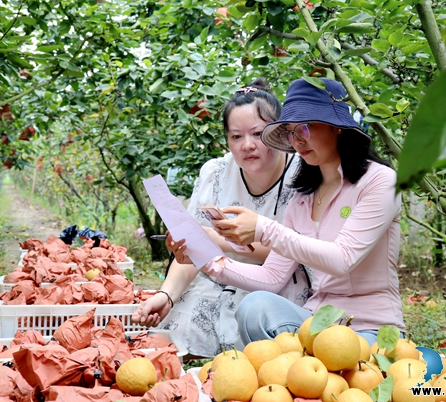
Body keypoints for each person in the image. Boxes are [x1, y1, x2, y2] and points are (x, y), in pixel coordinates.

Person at [164, 78, 405, 346]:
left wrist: (262, 229)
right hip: (317, 323)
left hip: (371, 329)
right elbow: (272, 278)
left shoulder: (380, 181)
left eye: (305, 126)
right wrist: (206, 259)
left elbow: (342, 259)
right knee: (255, 306)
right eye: (290, 131)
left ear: (337, 128)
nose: (297, 138)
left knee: (341, 364)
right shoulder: (303, 197)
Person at [132, 78, 312, 357]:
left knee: (265, 355)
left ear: (279, 132)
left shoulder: (304, 174)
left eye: (257, 133)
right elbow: (194, 250)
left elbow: (296, 252)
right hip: (215, 282)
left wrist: (218, 240)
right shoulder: (214, 173)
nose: (247, 145)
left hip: (277, 287)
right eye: (236, 137)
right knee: (173, 342)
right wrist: (167, 294)